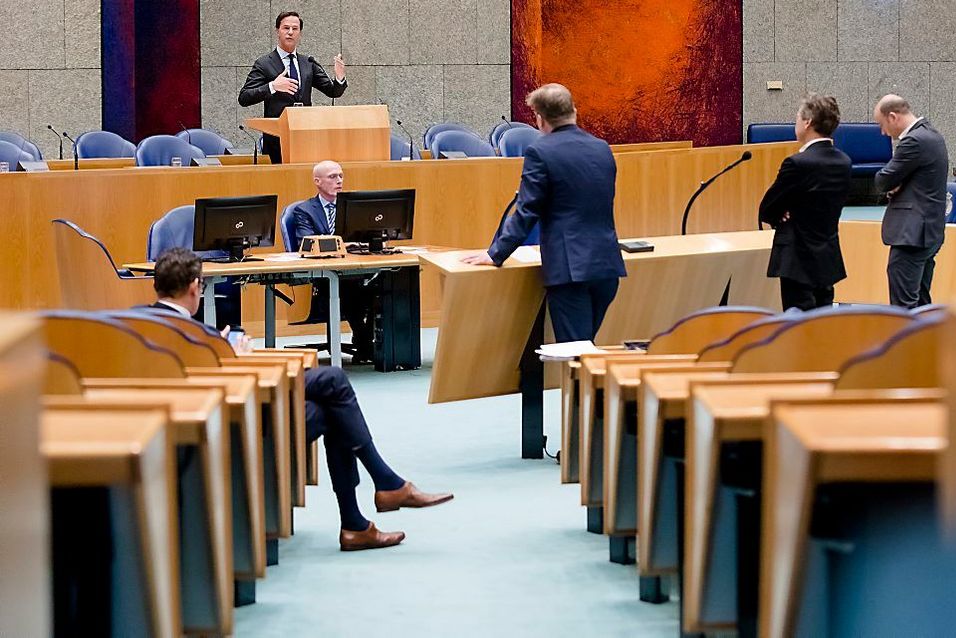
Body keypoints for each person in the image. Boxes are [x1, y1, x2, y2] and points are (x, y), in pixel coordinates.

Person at [147, 248, 453, 551]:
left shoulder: (138, 327)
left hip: (169, 426)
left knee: (332, 407)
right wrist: (232, 356)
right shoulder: (197, 338)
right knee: (334, 390)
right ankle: (376, 497)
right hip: (231, 426)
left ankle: (362, 517)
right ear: (193, 288)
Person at [461, 83, 626, 342]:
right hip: (607, 265)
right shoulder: (601, 147)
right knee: (586, 351)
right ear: (574, 110)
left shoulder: (541, 152)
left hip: (571, 269)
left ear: (539, 118)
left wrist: (495, 253)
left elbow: (527, 212)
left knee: (575, 354)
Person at [758, 93, 852, 311]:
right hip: (827, 257)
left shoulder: (797, 163)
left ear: (808, 122)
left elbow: (768, 208)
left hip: (797, 259)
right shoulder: (844, 162)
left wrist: (782, 213)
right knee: (822, 323)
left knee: (799, 326)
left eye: (798, 118)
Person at [291, 160, 376, 362]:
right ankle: (364, 341)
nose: (339, 181)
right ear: (317, 181)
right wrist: (343, 245)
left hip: (357, 266)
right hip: (325, 272)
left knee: (387, 280)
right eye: (332, 177)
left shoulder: (354, 206)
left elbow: (367, 236)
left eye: (340, 176)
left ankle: (367, 339)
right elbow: (308, 243)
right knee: (349, 287)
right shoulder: (304, 210)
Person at [238, 11, 348, 164]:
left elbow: (333, 91)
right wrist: (272, 86)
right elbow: (244, 97)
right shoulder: (264, 63)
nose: (290, 32)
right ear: (278, 31)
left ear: (300, 33)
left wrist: (339, 77)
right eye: (286, 28)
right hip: (277, 140)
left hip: (306, 136)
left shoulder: (308, 62)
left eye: (295, 29)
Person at [873, 95, 949, 308]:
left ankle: (909, 343)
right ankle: (925, 342)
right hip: (928, 232)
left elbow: (882, 180)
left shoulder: (914, 141)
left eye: (882, 125)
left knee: (903, 307)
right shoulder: (932, 135)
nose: (883, 132)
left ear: (893, 117)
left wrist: (894, 183)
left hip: (911, 235)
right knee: (922, 303)